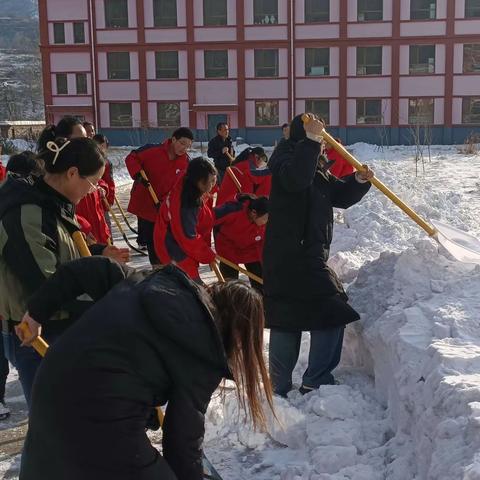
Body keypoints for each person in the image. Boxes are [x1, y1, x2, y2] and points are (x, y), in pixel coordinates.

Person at [16, 256, 274, 480]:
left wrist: (37, 311)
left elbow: (87, 270)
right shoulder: (206, 353)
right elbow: (182, 445)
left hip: (51, 379)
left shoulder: (156, 283)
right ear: (239, 334)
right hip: (100, 414)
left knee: (50, 462)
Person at [0, 137, 128, 406]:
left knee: (76, 419)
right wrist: (105, 303)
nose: (93, 190)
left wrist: (97, 252)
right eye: (92, 182)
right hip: (38, 334)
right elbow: (44, 283)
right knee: (53, 427)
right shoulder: (27, 213)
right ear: (72, 174)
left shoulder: (52, 202)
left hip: (65, 325)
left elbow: (62, 253)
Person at [263, 113, 374, 397]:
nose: (324, 142)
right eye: (320, 136)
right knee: (329, 309)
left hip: (306, 255)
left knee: (289, 315)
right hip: (291, 255)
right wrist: (312, 142)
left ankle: (283, 385)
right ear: (307, 136)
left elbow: (339, 195)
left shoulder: (316, 167)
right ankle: (308, 379)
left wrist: (358, 181)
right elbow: (296, 180)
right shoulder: (286, 159)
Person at [126, 128, 194, 265]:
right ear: (173, 139)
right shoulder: (152, 150)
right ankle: (157, 269)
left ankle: (163, 268)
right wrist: (138, 174)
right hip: (145, 203)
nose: (184, 148)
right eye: (182, 143)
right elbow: (131, 157)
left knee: (163, 240)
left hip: (164, 207)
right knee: (152, 240)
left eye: (188, 146)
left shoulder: (186, 162)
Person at [154, 157, 217, 282]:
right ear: (198, 181)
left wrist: (206, 249)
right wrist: (207, 254)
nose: (212, 186)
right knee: (191, 285)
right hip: (173, 246)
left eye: (214, 180)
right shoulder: (185, 205)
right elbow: (188, 237)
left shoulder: (191, 186)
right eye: (209, 182)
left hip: (183, 242)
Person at [214, 193, 268, 292]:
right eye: (265, 219)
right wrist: (205, 245)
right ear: (253, 213)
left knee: (261, 284)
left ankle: (260, 305)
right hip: (228, 249)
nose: (266, 222)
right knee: (231, 287)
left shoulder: (266, 220)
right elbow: (207, 220)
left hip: (252, 250)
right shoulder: (233, 209)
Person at [94, 134, 115, 237]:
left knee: (106, 223)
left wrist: (110, 198)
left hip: (104, 197)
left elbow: (110, 182)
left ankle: (109, 243)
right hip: (94, 197)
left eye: (103, 145)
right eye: (99, 145)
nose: (101, 148)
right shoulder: (89, 161)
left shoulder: (107, 163)